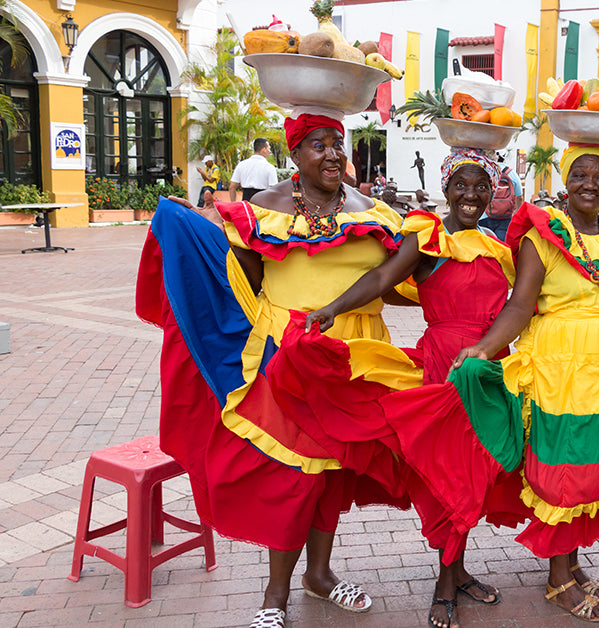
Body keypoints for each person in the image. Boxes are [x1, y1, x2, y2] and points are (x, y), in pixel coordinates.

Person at [137, 112, 414, 628]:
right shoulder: (263, 211)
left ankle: (321, 575)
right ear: (294, 155)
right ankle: (274, 596)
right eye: (318, 145)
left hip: (358, 355)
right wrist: (192, 231)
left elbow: (394, 282)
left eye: (338, 144)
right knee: (294, 473)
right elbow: (240, 282)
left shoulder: (376, 212)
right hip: (288, 355)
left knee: (332, 473)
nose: (332, 154)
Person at [304, 148, 519, 628]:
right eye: (461, 185)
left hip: (488, 370)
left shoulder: (497, 245)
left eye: (481, 186)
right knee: (451, 476)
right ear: (445, 187)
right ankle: (445, 584)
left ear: (493, 191)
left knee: (477, 476)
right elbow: (382, 277)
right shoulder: (427, 237)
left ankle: (458, 570)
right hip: (446, 370)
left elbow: (514, 308)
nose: (471, 195)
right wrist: (333, 309)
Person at [451, 144, 599, 622]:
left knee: (594, 470)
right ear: (566, 182)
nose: (590, 183)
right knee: (563, 473)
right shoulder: (542, 238)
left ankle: (572, 562)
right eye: (580, 174)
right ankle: (558, 578)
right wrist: (484, 348)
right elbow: (520, 306)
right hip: (559, 374)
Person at [478, 160, 523, 241]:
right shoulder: (511, 173)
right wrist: (517, 214)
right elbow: (519, 196)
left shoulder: (485, 170)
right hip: (505, 217)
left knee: (483, 246)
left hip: (483, 216)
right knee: (501, 246)